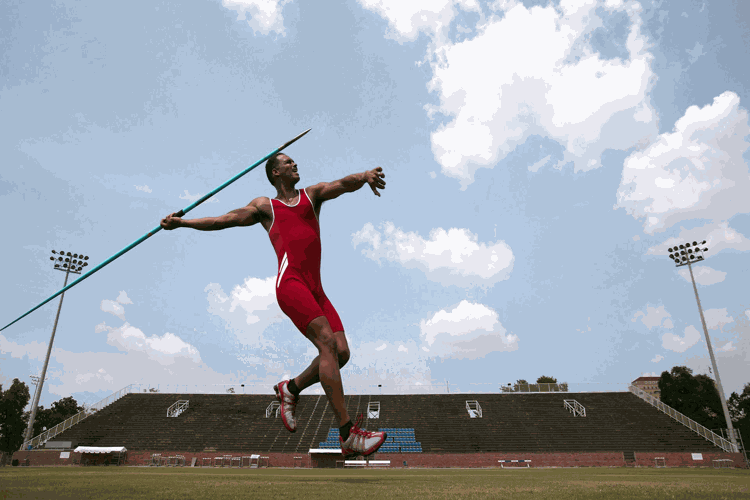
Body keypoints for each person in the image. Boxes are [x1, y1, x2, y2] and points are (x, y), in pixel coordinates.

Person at [160, 153, 387, 458]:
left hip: (317, 289)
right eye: (288, 162)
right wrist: (182, 223)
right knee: (327, 343)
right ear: (276, 172)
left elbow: (341, 185)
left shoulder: (312, 195)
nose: (295, 164)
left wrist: (364, 175)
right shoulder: (265, 206)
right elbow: (223, 220)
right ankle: (347, 434)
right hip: (290, 284)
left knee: (341, 352)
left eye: (295, 161)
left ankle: (291, 389)